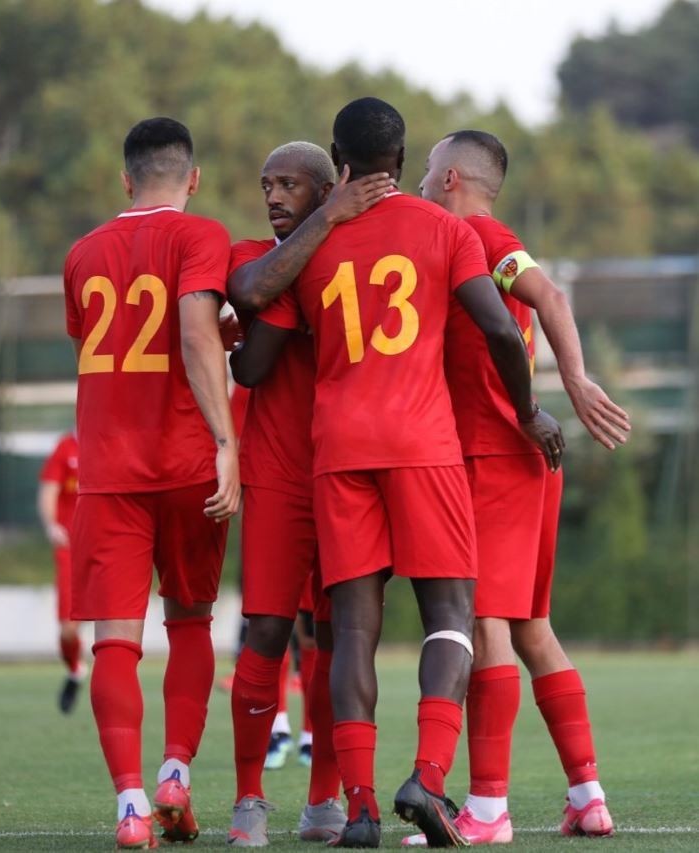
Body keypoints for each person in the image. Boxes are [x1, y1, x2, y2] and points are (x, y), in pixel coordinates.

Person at [231, 98, 563, 849]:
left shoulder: (314, 241)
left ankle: (358, 807)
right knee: (451, 613)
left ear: (337, 162)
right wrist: (527, 409)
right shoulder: (444, 229)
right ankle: (429, 777)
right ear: (404, 160)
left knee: (351, 628)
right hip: (423, 444)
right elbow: (500, 327)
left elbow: (251, 359)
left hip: (338, 450)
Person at [403, 129, 629, 844]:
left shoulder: (476, 232)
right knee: (532, 629)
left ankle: (488, 810)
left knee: (484, 624)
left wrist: (575, 380)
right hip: (520, 460)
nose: (419, 180)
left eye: (428, 169)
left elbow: (549, 294)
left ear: (450, 178)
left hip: (493, 456)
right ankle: (587, 796)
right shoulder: (461, 241)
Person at [63, 116, 240, 850]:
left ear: (125, 179)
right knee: (190, 621)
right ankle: (175, 773)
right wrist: (227, 441)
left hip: (109, 470)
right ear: (192, 178)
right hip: (187, 463)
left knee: (114, 642)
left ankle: (132, 806)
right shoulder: (202, 236)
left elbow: (99, 341)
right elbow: (194, 333)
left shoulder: (81, 254)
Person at [226, 140, 393, 846]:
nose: (273, 195)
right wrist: (325, 221)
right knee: (266, 629)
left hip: (347, 468)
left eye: (289, 184)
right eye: (267, 183)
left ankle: (325, 799)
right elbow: (249, 345)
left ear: (328, 187)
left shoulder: (353, 263)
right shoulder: (250, 255)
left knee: (336, 636)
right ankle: (249, 797)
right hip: (275, 470)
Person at [37, 430, 86, 713]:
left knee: (117, 624)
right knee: (68, 629)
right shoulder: (65, 449)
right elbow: (48, 491)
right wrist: (51, 525)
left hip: (107, 546)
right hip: (70, 548)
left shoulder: (112, 441)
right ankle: (75, 669)